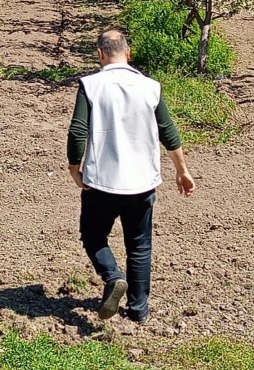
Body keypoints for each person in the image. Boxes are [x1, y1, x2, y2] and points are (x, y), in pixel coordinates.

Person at [67, 28, 196, 324]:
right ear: (128, 53)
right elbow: (168, 132)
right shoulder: (150, 87)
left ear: (100, 54)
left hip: (101, 182)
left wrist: (75, 169)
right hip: (142, 183)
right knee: (139, 246)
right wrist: (182, 171)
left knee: (93, 236)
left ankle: (113, 277)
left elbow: (77, 132)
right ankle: (139, 310)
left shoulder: (91, 85)